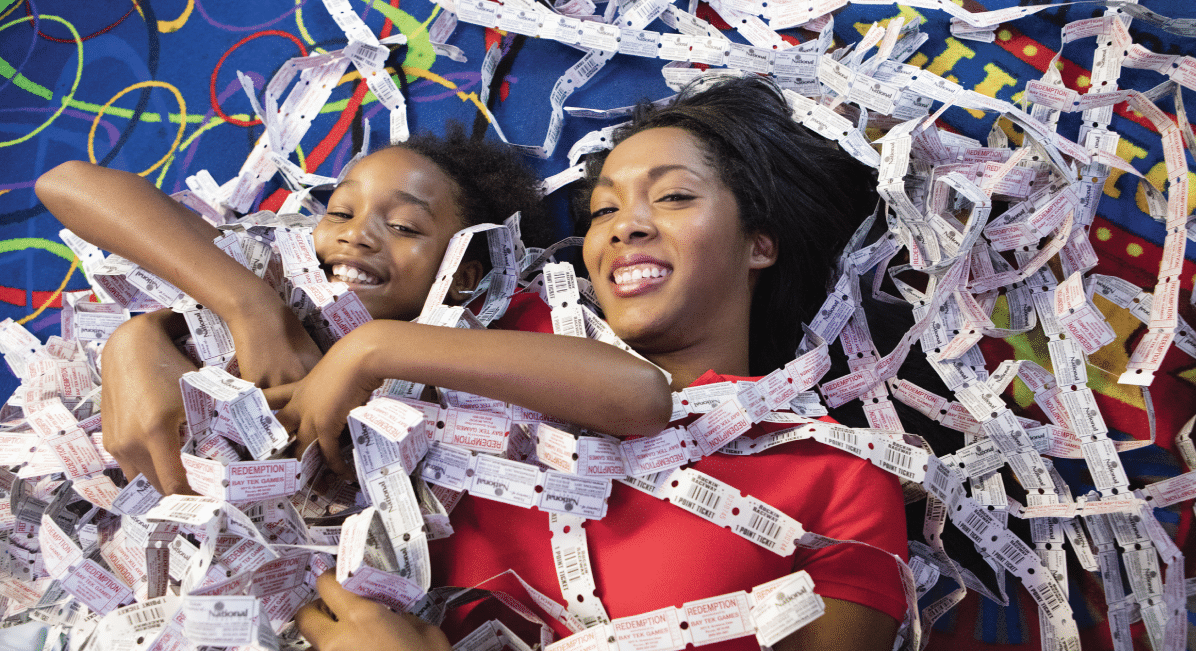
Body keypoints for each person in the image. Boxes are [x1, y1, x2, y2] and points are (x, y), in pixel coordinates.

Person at [288, 75, 908, 651]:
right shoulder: (488, 333)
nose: (624, 227)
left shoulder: (840, 478)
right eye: (603, 211)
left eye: (672, 197)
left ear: (760, 243)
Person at [33, 125, 623, 490]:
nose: (356, 236)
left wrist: (368, 352)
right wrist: (248, 306)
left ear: (466, 275)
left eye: (401, 225)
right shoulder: (278, 281)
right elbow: (65, 182)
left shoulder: (472, 356)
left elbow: (636, 393)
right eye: (339, 213)